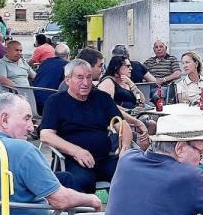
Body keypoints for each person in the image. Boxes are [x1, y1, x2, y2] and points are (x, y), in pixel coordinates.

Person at [40, 59, 133, 193]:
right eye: (80, 78)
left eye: (89, 77)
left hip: (104, 158)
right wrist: (76, 151)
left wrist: (125, 147)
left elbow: (122, 125)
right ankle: (84, 213)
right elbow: (46, 135)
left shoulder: (102, 98)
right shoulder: (55, 101)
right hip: (73, 160)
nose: (86, 83)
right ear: (67, 80)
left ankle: (122, 211)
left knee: (131, 173)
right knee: (81, 182)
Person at [33, 43, 69, 112]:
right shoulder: (67, 66)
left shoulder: (45, 62)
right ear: (68, 55)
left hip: (34, 101)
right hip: (51, 104)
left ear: (54, 54)